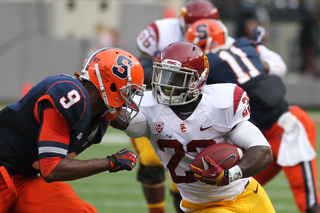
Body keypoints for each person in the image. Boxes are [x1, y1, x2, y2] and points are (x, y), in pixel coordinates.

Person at [112, 41, 276, 212]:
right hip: (205, 205)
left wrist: (230, 174)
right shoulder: (149, 108)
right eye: (163, 75)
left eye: (176, 77)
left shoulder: (220, 104)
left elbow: (263, 150)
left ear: (197, 81)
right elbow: (127, 123)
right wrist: (108, 103)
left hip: (250, 194)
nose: (167, 84)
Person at [185, 18, 320, 213]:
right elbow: (278, 67)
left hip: (287, 126)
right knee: (236, 191)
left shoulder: (210, 66)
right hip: (259, 136)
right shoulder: (245, 45)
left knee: (310, 203)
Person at [0, 47, 145, 212]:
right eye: (129, 91)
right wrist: (110, 162)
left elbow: (134, 123)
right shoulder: (70, 95)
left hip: (24, 180)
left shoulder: (103, 112)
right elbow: (51, 169)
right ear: (111, 86)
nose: (129, 100)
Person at [134, 1, 220, 212]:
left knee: (185, 174)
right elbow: (142, 64)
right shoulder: (161, 30)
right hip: (156, 101)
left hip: (194, 106)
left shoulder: (220, 38)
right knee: (151, 165)